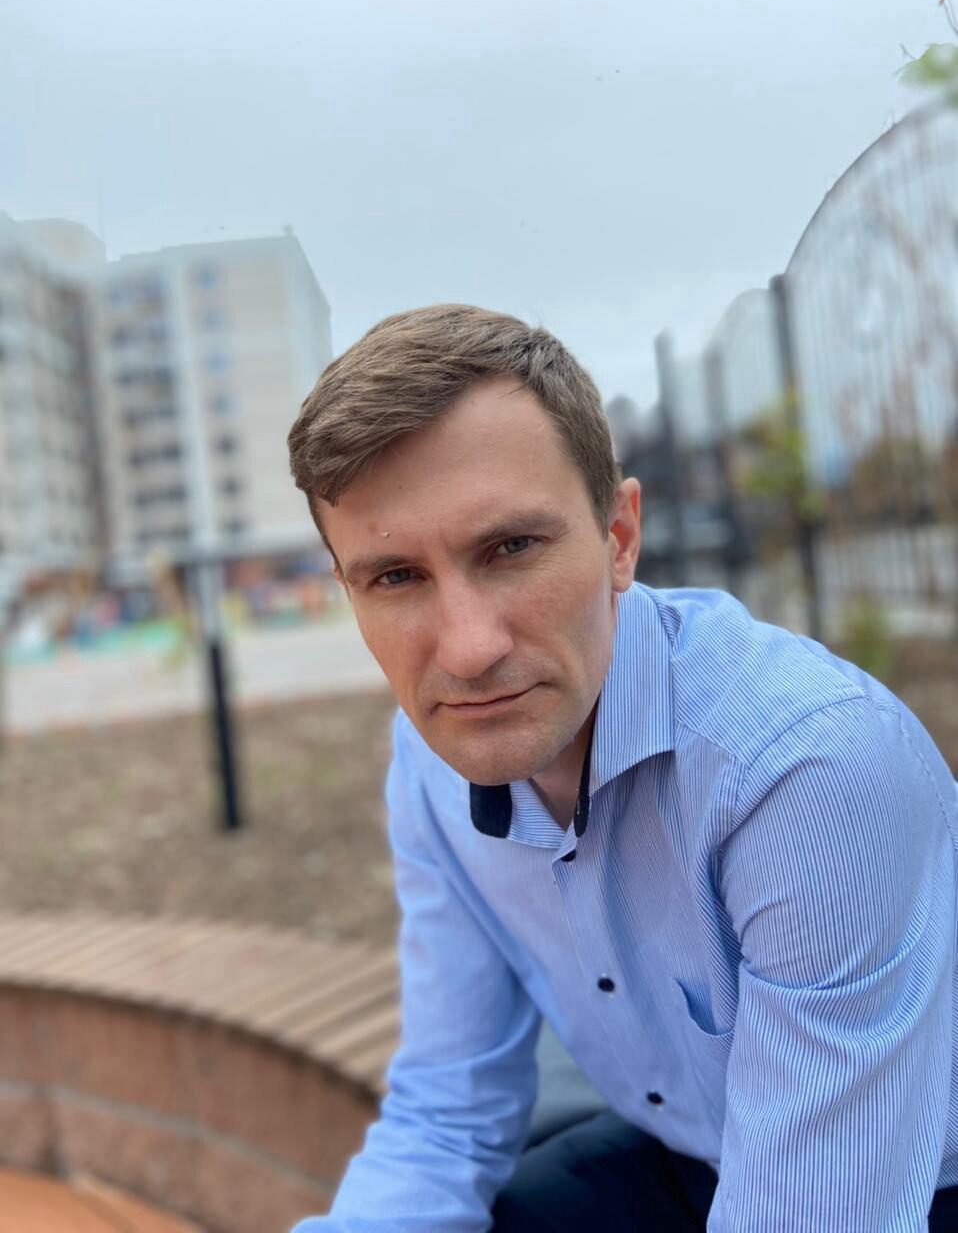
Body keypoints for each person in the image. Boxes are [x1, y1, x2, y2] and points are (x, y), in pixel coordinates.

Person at [286, 304, 958, 1232]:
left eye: (511, 548)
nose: (470, 650)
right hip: (695, 1151)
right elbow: (448, 1111)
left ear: (619, 538)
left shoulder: (807, 771)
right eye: (395, 577)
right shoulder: (430, 761)